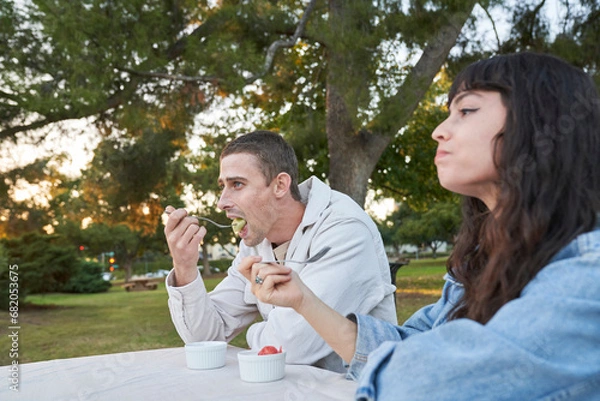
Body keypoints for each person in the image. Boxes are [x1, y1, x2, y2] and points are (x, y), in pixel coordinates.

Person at [238, 52, 600, 400]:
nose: (439, 131)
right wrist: (302, 300)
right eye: (448, 114)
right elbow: (407, 346)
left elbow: (421, 386)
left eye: (467, 110)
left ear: (538, 123)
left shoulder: (586, 279)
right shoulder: (481, 261)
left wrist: (402, 361)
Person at [163, 130, 397, 373]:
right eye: (223, 186)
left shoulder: (345, 230)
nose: (221, 202)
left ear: (280, 185)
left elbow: (291, 347)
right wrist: (185, 267)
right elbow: (204, 338)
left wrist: (253, 333)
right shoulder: (255, 242)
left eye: (237, 184)